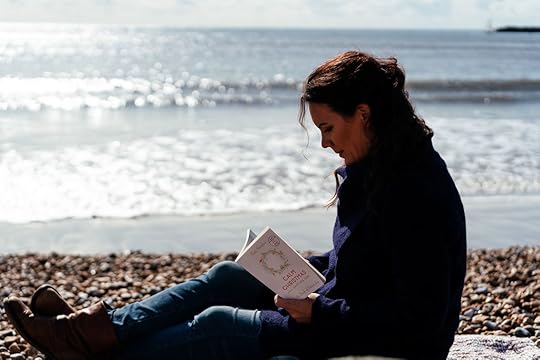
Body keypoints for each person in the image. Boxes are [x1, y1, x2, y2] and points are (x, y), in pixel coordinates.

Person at [3, 50, 466, 360]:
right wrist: (296, 267)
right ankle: (92, 332)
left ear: (363, 114)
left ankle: (88, 349)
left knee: (218, 323)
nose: (325, 144)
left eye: (328, 128)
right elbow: (371, 259)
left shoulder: (413, 193)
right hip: (352, 309)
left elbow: (417, 323)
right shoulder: (381, 166)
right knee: (233, 275)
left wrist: (318, 312)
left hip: (385, 345)